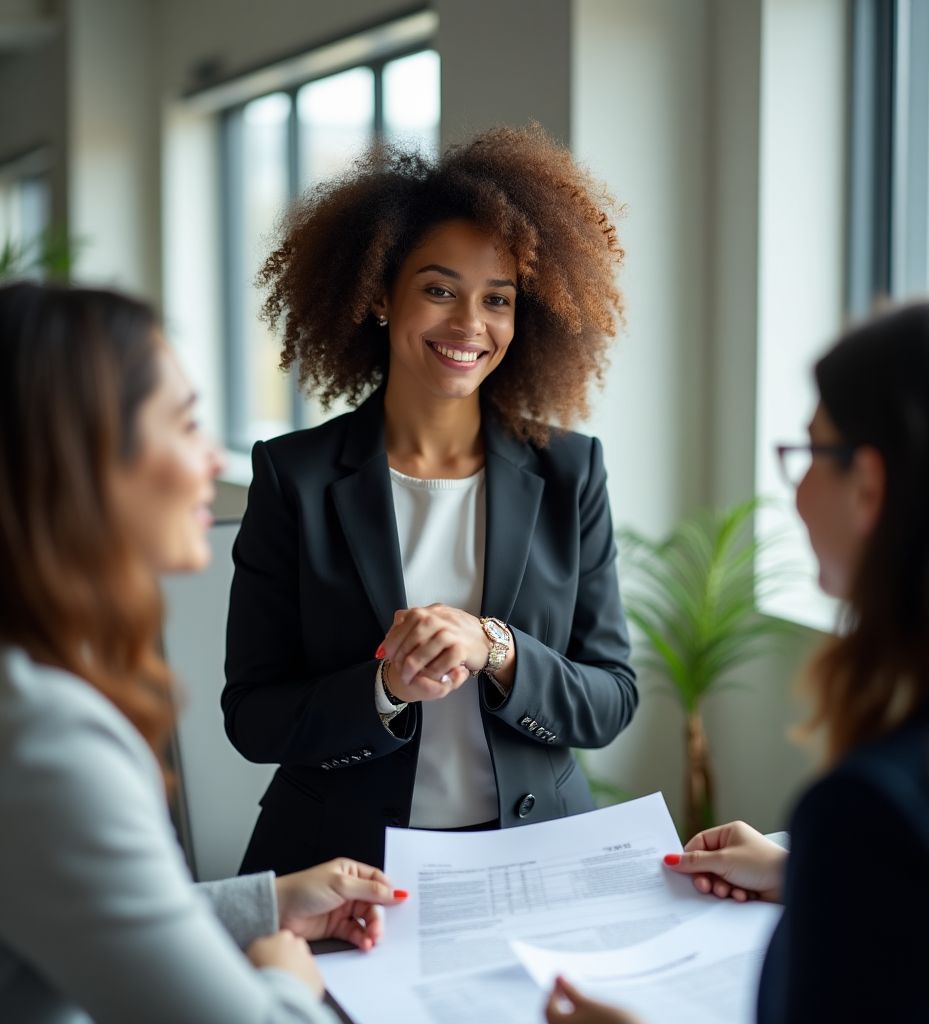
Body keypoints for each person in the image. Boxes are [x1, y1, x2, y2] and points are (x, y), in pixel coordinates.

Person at [546, 299, 929, 1023]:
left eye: (809, 454)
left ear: (868, 486)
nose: (795, 489)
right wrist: (805, 875)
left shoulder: (875, 813)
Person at [223, 123, 638, 875]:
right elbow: (253, 717)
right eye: (440, 289)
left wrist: (497, 648)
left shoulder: (572, 473)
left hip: (536, 857)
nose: (470, 325)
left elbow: (611, 699)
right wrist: (382, 688)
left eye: (498, 299)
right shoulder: (295, 477)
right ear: (382, 294)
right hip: (341, 863)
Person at [0, 281, 408, 1023]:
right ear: (84, 456)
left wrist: (265, 904)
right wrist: (286, 979)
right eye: (187, 424)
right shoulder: (44, 739)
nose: (209, 459)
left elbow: (69, 907)